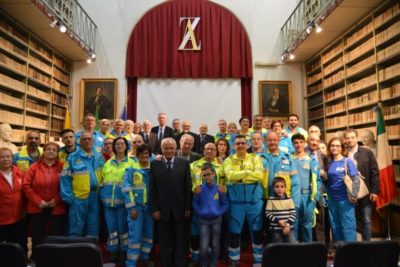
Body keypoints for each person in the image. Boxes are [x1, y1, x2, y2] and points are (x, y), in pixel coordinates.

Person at [150, 138, 192, 267]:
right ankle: (167, 263)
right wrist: (155, 209)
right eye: (166, 148)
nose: (168, 150)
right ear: (161, 150)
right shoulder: (155, 164)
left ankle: (180, 263)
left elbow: (187, 187)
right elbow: (153, 189)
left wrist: (187, 207)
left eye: (171, 148)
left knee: (181, 239)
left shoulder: (184, 163)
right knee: (164, 240)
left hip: (180, 210)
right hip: (162, 211)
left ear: (176, 149)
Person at [223, 135, 264, 267]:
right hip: (236, 203)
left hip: (255, 202)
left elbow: (259, 175)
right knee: (234, 231)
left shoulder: (255, 158)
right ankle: (234, 260)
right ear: (234, 145)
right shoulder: (228, 160)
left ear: (246, 145)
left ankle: (258, 260)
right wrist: (248, 172)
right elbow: (230, 176)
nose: (240, 145)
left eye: (242, 143)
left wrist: (239, 177)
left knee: (257, 231)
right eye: (237, 143)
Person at [22, 142, 66, 258]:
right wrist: (38, 201)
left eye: (54, 150)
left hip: (56, 207)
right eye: (48, 149)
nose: (51, 151)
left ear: (57, 153)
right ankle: (37, 258)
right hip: (37, 207)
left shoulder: (62, 167)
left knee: (57, 235)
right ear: (44, 151)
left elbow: (66, 186)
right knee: (37, 236)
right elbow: (26, 185)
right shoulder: (34, 167)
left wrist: (56, 200)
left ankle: (56, 258)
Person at [60, 131, 105, 237]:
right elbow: (65, 178)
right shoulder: (72, 158)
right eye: (84, 139)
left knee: (93, 227)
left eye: (89, 139)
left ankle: (90, 251)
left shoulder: (99, 157)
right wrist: (68, 197)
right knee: (76, 227)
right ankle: (75, 251)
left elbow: (104, 176)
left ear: (93, 141)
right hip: (78, 198)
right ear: (79, 142)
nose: (87, 141)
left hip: (95, 197)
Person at [100, 137, 135, 264]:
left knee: (123, 229)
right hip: (108, 203)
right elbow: (103, 181)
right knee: (112, 229)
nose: (120, 146)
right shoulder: (108, 163)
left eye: (122, 144)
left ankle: (124, 251)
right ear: (114, 147)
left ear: (126, 146)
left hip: (124, 203)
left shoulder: (131, 163)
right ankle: (113, 251)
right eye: (117, 144)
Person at [190, 142, 225, 264]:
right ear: (203, 150)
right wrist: (194, 189)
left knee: (215, 239)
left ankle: (213, 260)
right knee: (196, 234)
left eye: (212, 149)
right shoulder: (194, 165)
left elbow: (226, 182)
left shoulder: (222, 165)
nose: (210, 151)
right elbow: (187, 182)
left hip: (215, 207)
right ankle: (195, 258)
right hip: (198, 206)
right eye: (207, 149)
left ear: (216, 151)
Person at [123, 144, 154, 267]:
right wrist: (132, 208)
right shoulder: (131, 169)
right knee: (135, 236)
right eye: (142, 153)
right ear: (137, 155)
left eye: (147, 153)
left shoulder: (153, 169)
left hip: (150, 208)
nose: (144, 156)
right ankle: (131, 262)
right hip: (137, 208)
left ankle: (145, 257)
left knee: (148, 235)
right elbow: (126, 189)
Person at [345, 129, 379, 241]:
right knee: (351, 219)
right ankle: (353, 244)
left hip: (366, 191)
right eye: (348, 138)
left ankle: (366, 244)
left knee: (366, 219)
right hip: (349, 193)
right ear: (345, 139)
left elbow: (374, 171)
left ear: (356, 138)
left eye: (352, 137)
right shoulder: (343, 153)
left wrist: (374, 191)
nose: (350, 140)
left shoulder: (367, 152)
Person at [192, 163, 229, 267]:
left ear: (213, 174)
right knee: (203, 246)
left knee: (215, 244)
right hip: (203, 221)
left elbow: (225, 203)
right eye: (204, 175)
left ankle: (213, 264)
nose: (206, 177)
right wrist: (200, 212)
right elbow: (194, 203)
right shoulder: (199, 189)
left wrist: (219, 212)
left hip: (217, 220)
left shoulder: (220, 189)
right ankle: (203, 264)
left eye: (209, 174)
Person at [326, 137, 359, 242]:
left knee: (348, 226)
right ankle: (339, 251)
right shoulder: (329, 162)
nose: (334, 148)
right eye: (332, 145)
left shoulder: (347, 161)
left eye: (337, 145)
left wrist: (354, 195)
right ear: (329, 147)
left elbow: (356, 180)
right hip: (332, 200)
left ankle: (351, 252)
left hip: (345, 200)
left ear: (341, 148)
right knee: (335, 226)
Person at [290, 134, 321, 242]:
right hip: (293, 196)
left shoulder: (312, 160)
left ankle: (308, 251)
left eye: (301, 142)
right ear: (292, 144)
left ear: (305, 143)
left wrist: (316, 196)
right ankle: (294, 252)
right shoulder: (288, 159)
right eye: (296, 142)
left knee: (307, 225)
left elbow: (318, 180)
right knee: (293, 225)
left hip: (308, 197)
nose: (299, 145)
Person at [0, 147, 27, 253]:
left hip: (18, 217)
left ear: (12, 158)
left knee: (20, 245)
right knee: (4, 248)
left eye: (8, 156)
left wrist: (25, 207)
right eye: (2, 157)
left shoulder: (18, 172)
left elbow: (24, 192)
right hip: (2, 220)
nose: (6, 159)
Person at [306, 133, 329, 244]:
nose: (314, 142)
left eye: (316, 140)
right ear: (307, 141)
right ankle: (309, 244)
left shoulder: (322, 156)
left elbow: (328, 175)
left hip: (320, 192)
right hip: (306, 193)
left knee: (321, 220)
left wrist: (324, 174)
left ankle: (321, 245)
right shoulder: (302, 154)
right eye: (311, 140)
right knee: (308, 220)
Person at [265, 177, 296, 243]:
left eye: (282, 187)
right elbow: (268, 213)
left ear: (285, 188)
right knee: (278, 247)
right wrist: (278, 221)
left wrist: (287, 225)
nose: (279, 189)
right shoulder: (271, 199)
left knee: (293, 245)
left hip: (288, 228)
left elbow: (293, 213)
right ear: (273, 188)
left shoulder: (289, 199)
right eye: (277, 187)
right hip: (275, 229)